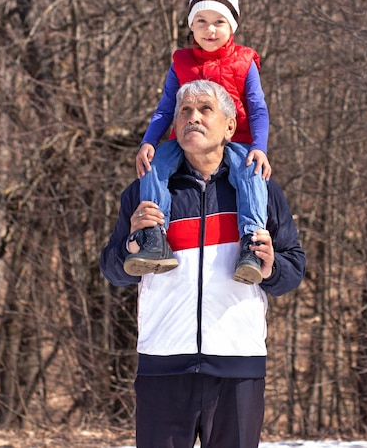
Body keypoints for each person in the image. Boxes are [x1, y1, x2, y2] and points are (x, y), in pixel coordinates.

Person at [100, 80, 306, 448]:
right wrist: (132, 243)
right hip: (163, 363)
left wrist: (271, 266)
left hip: (237, 365)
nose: (193, 117)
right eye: (184, 111)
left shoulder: (261, 189)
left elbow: (293, 271)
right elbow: (113, 270)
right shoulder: (145, 190)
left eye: (205, 109)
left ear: (229, 126)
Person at [127, 0, 272, 284]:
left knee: (249, 174)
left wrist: (259, 148)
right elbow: (166, 109)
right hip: (184, 140)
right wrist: (149, 141)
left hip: (236, 141)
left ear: (231, 25)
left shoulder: (244, 61)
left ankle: (250, 243)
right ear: (191, 25)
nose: (210, 29)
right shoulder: (181, 62)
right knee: (155, 166)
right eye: (201, 21)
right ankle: (154, 237)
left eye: (219, 22)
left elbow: (258, 109)